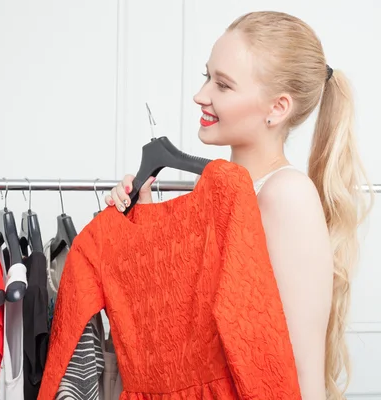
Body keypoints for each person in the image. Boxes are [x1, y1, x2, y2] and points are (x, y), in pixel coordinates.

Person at [104, 11, 373, 400]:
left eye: (223, 85)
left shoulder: (287, 195)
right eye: (206, 76)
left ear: (277, 108)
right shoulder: (213, 191)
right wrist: (139, 224)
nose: (201, 95)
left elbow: (300, 368)